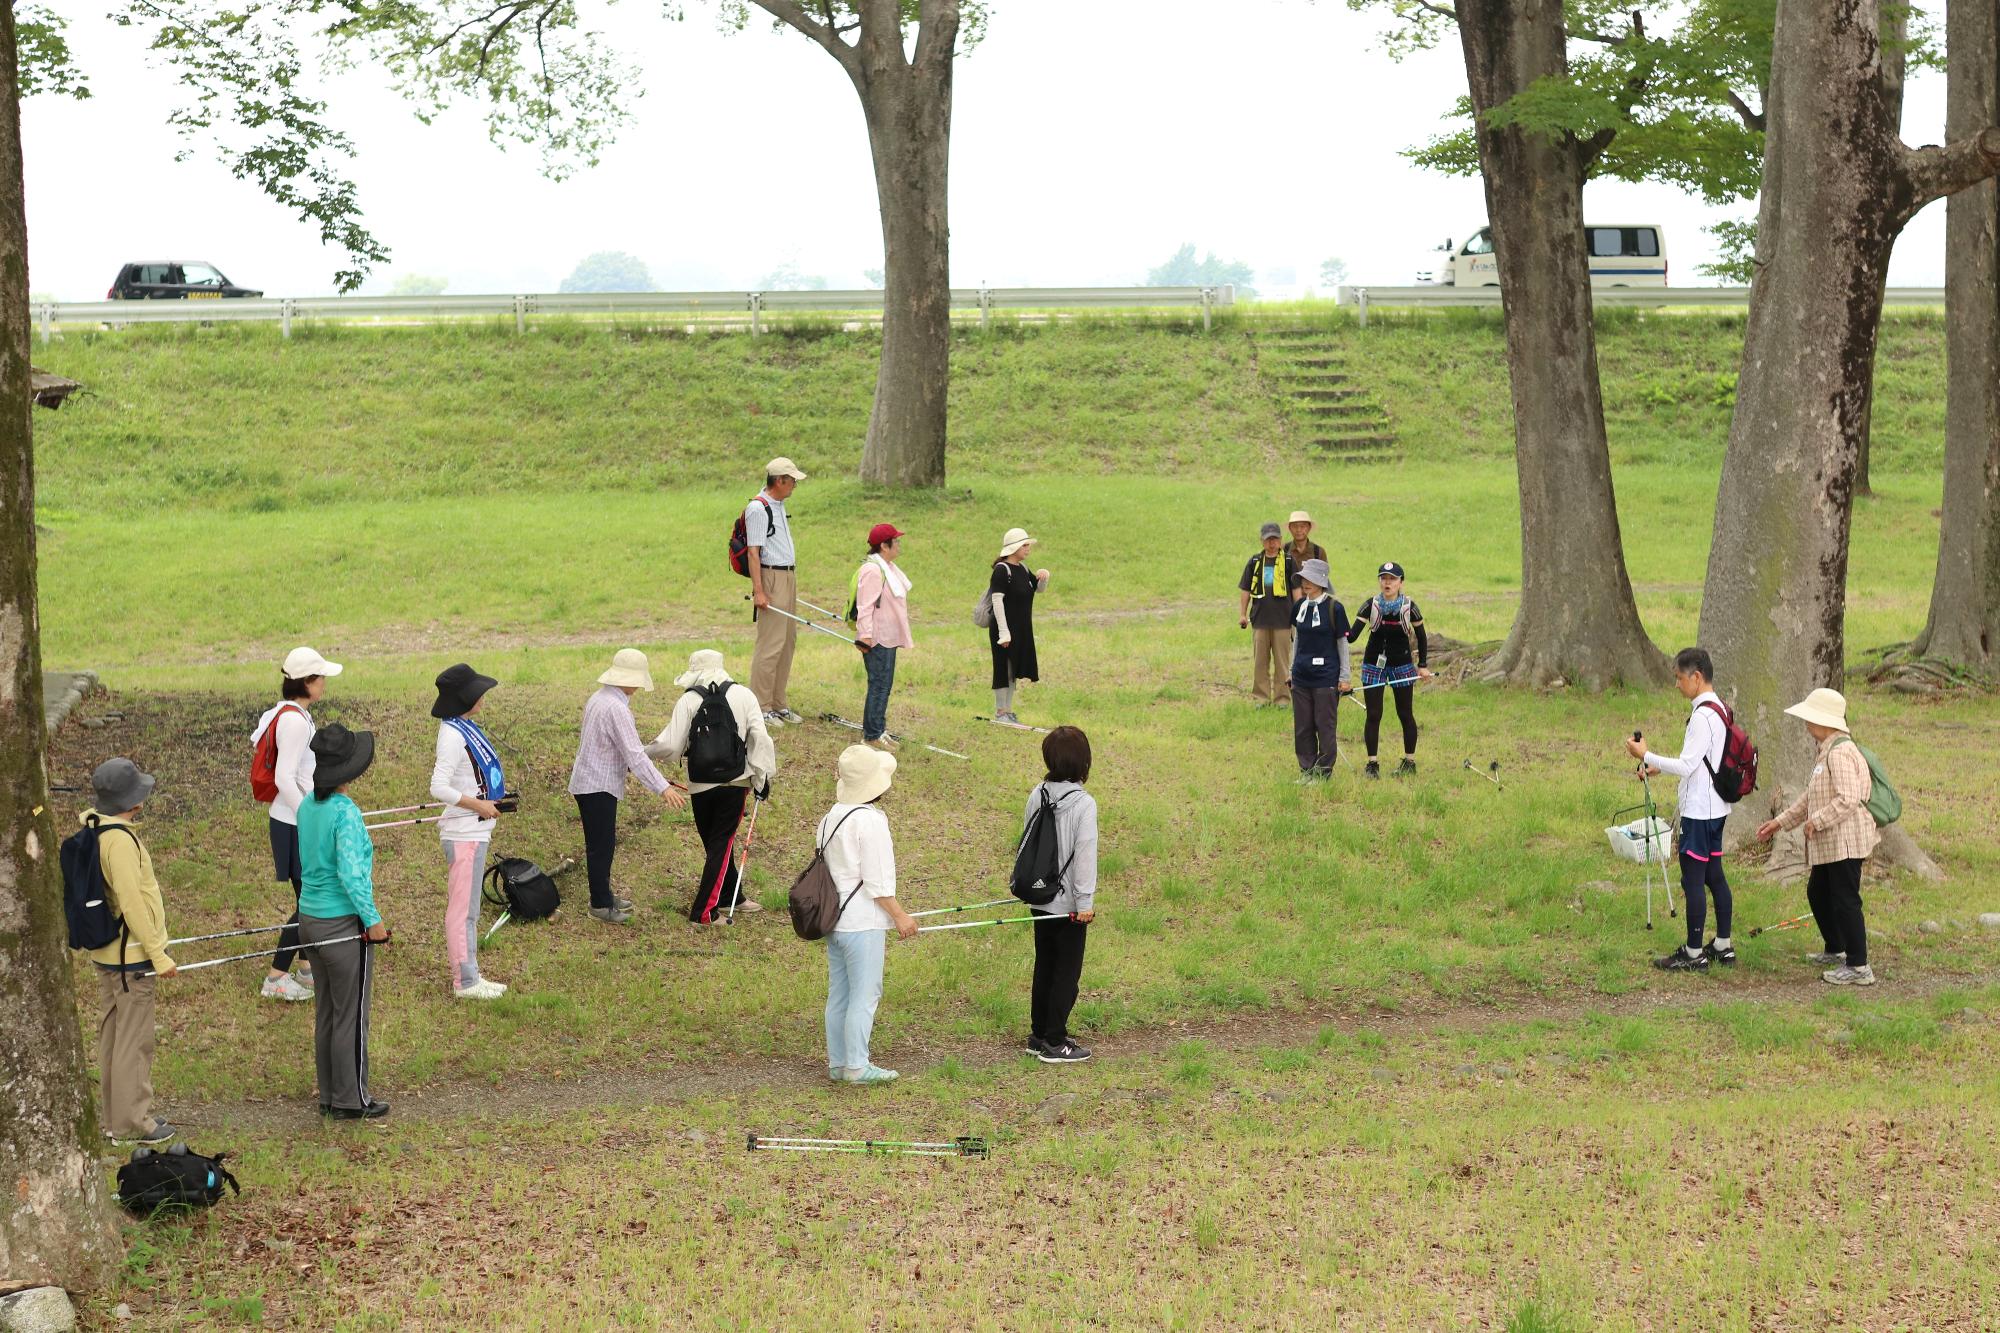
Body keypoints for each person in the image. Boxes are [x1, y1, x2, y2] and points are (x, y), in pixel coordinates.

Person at [1754, 688, 1882, 986]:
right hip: (1832, 841)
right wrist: (1779, 823)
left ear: (1826, 721)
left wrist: (1817, 822)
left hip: (1845, 841)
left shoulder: (1839, 753)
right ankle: (1835, 948)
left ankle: (1859, 966)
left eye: (1810, 719)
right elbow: (1811, 797)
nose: (1806, 725)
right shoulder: (1827, 750)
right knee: (1818, 892)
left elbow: (1849, 798)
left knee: (1845, 900)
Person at [297, 724, 392, 1120]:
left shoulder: (307, 806)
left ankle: (330, 1095)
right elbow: (353, 875)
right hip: (340, 925)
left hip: (309, 919)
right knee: (351, 1015)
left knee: (328, 1012)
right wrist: (373, 920)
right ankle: (352, 1100)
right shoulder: (346, 814)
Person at [83, 758, 177, 1144]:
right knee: (134, 1043)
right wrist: (158, 954)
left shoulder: (95, 829)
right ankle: (132, 1123)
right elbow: (132, 903)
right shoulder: (120, 841)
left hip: (107, 953)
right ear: (132, 802)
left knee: (114, 1037)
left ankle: (112, 1118)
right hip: (131, 956)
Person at [1625, 647, 1736, 972]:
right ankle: (1723, 946)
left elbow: (1689, 765)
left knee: (1692, 879)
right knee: (1715, 876)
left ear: (1696, 677)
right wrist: (1661, 767)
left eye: (1679, 678)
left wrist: (1646, 756)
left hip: (1699, 811)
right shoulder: (1720, 708)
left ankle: (1692, 953)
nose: (1676, 685)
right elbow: (1703, 759)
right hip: (1718, 808)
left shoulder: (1702, 715)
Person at [648, 650, 777, 923]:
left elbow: (671, 746)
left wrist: (643, 753)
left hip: (700, 785)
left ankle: (734, 897)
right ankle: (703, 912)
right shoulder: (744, 695)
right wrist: (761, 779)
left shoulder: (689, 698)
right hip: (735, 782)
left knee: (716, 844)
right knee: (720, 844)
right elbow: (761, 740)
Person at [820, 745, 920, 1084]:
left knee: (841, 994)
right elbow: (878, 883)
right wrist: (900, 916)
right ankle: (857, 1067)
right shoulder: (871, 821)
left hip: (835, 920)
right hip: (863, 923)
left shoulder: (831, 816)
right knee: (865, 994)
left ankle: (839, 1063)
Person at [568, 649, 688, 926]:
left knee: (602, 843)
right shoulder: (616, 708)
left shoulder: (600, 698)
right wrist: (662, 788)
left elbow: (624, 752)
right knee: (601, 846)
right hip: (597, 784)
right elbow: (634, 755)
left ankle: (605, 895)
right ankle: (599, 903)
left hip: (590, 780)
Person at [251, 646, 342, 1002]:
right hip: (294, 824)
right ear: (306, 682)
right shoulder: (292, 721)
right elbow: (286, 778)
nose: (324, 684)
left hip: (292, 820)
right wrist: (313, 816)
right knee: (310, 902)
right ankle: (276, 977)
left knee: (308, 896)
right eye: (320, 679)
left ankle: (306, 969)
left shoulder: (288, 713)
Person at [429, 662, 510, 995]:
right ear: (465, 697)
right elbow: (438, 787)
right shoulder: (451, 735)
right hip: (464, 833)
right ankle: (466, 981)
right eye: (478, 691)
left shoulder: (463, 726)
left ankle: (470, 975)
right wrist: (479, 805)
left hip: (474, 832)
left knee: (469, 910)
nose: (483, 696)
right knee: (463, 912)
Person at [1023, 726, 1100, 1064]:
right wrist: (1085, 903)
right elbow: (1085, 855)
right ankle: (1055, 1040)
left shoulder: (1037, 792)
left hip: (1040, 896)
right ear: (1084, 764)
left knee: (1045, 964)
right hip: (1069, 905)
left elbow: (1026, 843)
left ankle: (1039, 1034)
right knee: (1066, 973)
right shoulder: (1084, 804)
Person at [1346, 561, 1432, 778]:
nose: (1387, 582)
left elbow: (1421, 637)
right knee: (1373, 714)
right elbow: (1352, 636)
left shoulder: (1409, 607)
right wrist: (1333, 630)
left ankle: (1409, 762)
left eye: (1392, 579)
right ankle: (1372, 764)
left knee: (1405, 714)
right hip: (1373, 664)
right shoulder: (1370, 605)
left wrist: (1422, 666)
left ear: (1401, 582)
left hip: (1402, 665)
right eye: (1384, 578)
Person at [746, 457, 809, 729]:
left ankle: (778, 703)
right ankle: (760, 706)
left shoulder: (779, 505)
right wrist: (759, 590)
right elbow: (753, 551)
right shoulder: (758, 508)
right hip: (771, 575)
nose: (795, 484)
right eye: (792, 480)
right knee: (770, 644)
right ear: (780, 481)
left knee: (787, 641)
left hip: (788, 575)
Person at [1289, 560, 1352, 780]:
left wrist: (1344, 677)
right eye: (1304, 578)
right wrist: (1291, 670)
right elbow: (1297, 640)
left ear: (1322, 581)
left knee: (1324, 726)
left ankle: (1324, 772)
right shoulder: (1299, 607)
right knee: (1303, 726)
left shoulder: (1335, 608)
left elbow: (1342, 645)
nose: (1305, 583)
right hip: (1301, 676)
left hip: (1326, 677)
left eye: (1311, 579)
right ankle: (1306, 770)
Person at [853, 522, 913, 747]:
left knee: (884, 683)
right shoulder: (872, 570)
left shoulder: (887, 567)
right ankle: (872, 734)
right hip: (877, 637)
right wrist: (865, 635)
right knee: (878, 683)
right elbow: (865, 605)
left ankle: (879, 729)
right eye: (895, 541)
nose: (898, 545)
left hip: (888, 635)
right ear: (884, 546)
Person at [989, 527, 1051, 726]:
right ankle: (1001, 712)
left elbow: (1038, 589)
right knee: (1003, 668)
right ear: (1014, 547)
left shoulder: (1023, 569)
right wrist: (1004, 632)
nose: (1028, 548)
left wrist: (1044, 577)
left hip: (1021, 628)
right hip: (1004, 628)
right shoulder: (1002, 570)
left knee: (1013, 668)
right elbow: (997, 601)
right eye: (1024, 545)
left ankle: (1008, 711)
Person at [1238, 522, 1301, 705]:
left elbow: (1296, 590)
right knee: (1260, 663)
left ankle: (1282, 698)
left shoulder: (1289, 562)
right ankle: (1261, 698)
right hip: (1260, 620)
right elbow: (1245, 590)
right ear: (1262, 541)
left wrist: (1298, 615)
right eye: (1268, 540)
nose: (1272, 543)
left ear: (1281, 540)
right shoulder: (1255, 562)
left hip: (1283, 620)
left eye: (1275, 539)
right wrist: (1242, 614)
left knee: (1283, 663)